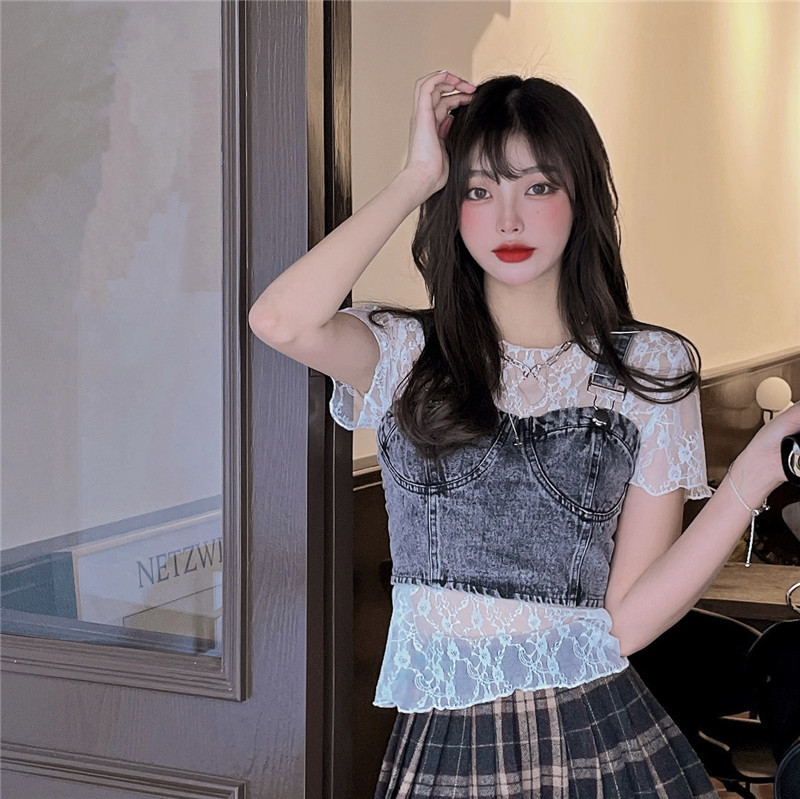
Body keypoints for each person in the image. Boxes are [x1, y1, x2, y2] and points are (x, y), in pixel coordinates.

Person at [249, 71, 800, 798]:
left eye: (537, 187)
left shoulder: (646, 367)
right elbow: (280, 321)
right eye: (478, 191)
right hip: (443, 744)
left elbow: (627, 621)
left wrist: (753, 475)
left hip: (590, 738)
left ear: (581, 198)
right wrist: (417, 178)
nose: (507, 219)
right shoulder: (406, 353)